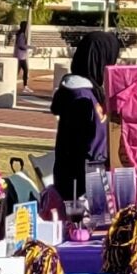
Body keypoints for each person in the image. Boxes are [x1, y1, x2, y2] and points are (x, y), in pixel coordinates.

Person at [50, 32, 113, 207]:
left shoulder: (82, 90)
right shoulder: (83, 97)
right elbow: (91, 145)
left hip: (75, 179)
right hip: (82, 188)